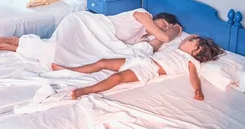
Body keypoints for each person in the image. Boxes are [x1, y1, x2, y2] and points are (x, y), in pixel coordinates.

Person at [52, 34, 224, 101]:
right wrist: (194, 38)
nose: (189, 40)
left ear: (197, 50)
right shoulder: (179, 48)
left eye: (193, 42)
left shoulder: (190, 62)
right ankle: (68, 70)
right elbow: (186, 39)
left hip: (148, 69)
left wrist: (198, 90)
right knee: (103, 62)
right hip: (142, 60)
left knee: (116, 78)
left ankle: (85, 91)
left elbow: (193, 77)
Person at [0, 9, 182, 52]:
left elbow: (152, 46)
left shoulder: (141, 37)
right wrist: (175, 31)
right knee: (58, 47)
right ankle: (18, 41)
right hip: (89, 25)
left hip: (97, 37)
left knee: (60, 51)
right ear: (156, 17)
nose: (160, 29)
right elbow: (164, 38)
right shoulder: (142, 14)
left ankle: (19, 44)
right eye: (162, 24)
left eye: (164, 27)